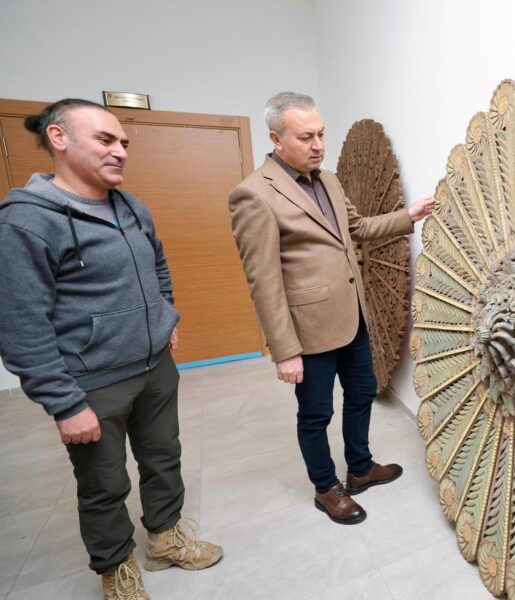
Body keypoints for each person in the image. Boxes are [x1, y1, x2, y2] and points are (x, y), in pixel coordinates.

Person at [0, 99, 222, 600]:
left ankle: (164, 538)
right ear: (59, 138)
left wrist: (166, 314)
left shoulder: (131, 206)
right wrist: (65, 403)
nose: (120, 151)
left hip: (155, 368)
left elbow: (158, 263)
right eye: (105, 139)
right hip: (92, 381)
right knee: (103, 483)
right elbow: (20, 324)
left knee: (164, 458)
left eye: (123, 142)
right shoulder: (25, 222)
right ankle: (116, 567)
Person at [229, 92, 433, 525]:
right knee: (316, 414)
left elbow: (357, 228)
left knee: (362, 392)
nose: (318, 144)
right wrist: (284, 350)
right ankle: (326, 487)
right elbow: (263, 281)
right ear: (276, 139)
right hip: (308, 329)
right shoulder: (253, 195)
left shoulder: (330, 180)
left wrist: (409, 215)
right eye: (306, 137)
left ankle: (359, 468)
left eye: (321, 134)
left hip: (351, 315)